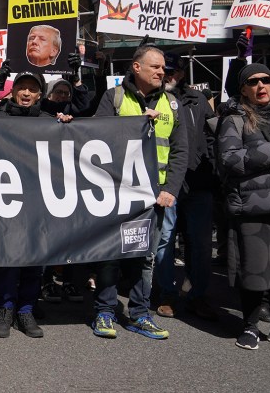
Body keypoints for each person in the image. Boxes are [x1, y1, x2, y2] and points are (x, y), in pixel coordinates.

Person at [91, 45, 187, 340]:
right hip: (117, 192)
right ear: (136, 67)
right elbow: (96, 138)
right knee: (111, 254)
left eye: (163, 68)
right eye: (155, 66)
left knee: (145, 256)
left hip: (155, 197)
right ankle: (105, 311)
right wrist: (135, 126)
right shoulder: (114, 97)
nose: (161, 72)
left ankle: (140, 314)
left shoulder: (172, 104)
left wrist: (170, 189)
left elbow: (180, 151)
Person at [0, 71, 73, 339]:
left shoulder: (48, 121)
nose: (26, 93)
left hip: (38, 200)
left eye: (32, 89)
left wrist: (67, 126)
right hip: (6, 199)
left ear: (40, 95)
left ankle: (26, 310)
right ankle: (6, 308)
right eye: (22, 87)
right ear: (13, 91)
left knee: (35, 258)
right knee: (10, 257)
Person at [217, 63, 270, 350]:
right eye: (253, 81)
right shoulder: (234, 119)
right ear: (243, 89)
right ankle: (250, 325)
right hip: (252, 207)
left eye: (266, 80)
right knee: (254, 270)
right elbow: (229, 160)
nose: (261, 86)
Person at [156, 52, 219, 320]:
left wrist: (211, 166)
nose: (168, 75)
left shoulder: (198, 100)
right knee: (165, 241)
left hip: (198, 182)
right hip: (166, 181)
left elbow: (214, 136)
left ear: (182, 73)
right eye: (164, 70)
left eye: (173, 71)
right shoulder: (153, 99)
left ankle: (197, 295)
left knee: (201, 243)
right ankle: (166, 294)